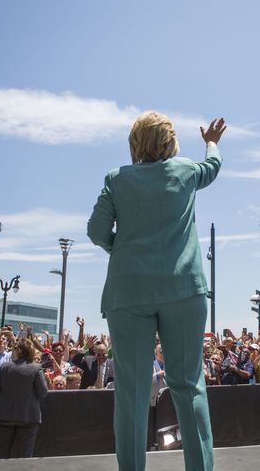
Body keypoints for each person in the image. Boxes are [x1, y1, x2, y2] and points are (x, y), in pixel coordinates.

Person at [87, 112, 225, 471]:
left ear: (134, 144)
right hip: (183, 290)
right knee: (188, 385)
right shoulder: (186, 172)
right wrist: (211, 141)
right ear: (170, 141)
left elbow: (96, 231)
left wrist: (124, 247)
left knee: (131, 392)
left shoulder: (117, 180)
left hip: (129, 293)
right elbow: (212, 164)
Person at [0, 339, 49, 459]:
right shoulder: (36, 368)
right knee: (25, 455)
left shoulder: (4, 367)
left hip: (5, 416)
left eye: (12, 349)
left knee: (1, 456)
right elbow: (43, 393)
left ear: (19, 350)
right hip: (28, 417)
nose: (11, 352)